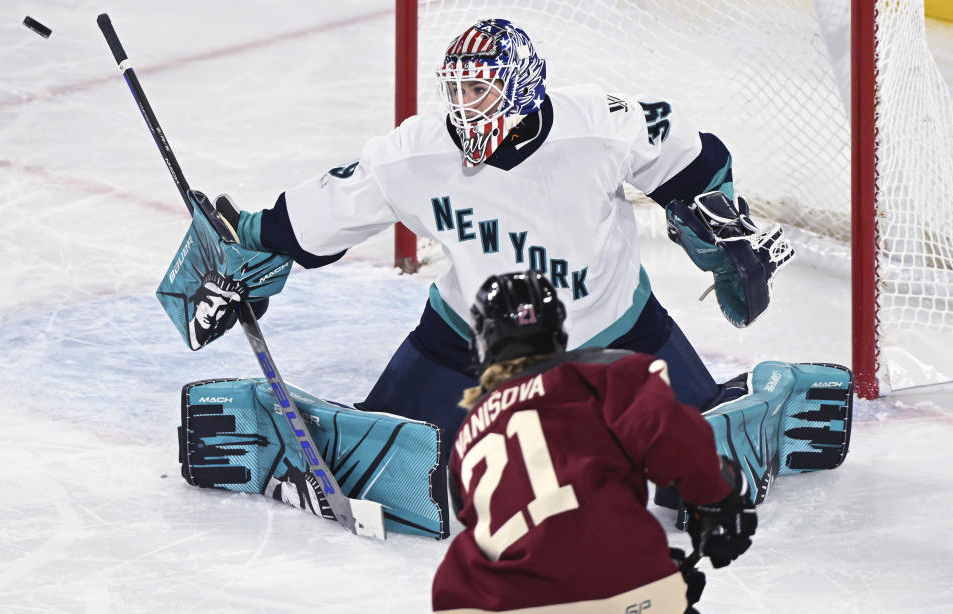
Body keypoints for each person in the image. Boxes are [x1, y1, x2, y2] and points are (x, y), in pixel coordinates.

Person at [215, 18, 793, 452]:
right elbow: (327, 209)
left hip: (612, 326)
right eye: (457, 91)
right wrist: (247, 233)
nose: (463, 108)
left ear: (520, 91)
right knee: (386, 439)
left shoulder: (596, 124)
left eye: (480, 92)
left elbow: (693, 158)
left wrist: (719, 226)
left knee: (696, 436)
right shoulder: (417, 151)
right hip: (470, 334)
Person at [430, 270, 757, 613]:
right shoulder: (603, 372)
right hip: (624, 591)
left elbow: (491, 524)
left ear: (482, 343)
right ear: (557, 329)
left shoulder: (469, 433)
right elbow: (676, 437)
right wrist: (717, 498)